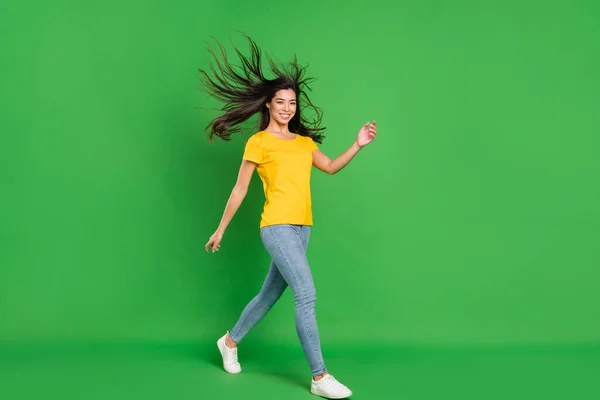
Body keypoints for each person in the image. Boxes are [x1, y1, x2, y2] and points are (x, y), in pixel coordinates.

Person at [199, 34, 376, 399]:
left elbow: (329, 168)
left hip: (302, 227)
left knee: (268, 295)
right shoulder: (258, 143)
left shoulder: (304, 143)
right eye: (280, 102)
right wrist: (220, 229)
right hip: (276, 226)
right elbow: (240, 189)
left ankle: (230, 342)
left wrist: (356, 145)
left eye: (292, 103)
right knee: (306, 294)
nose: (287, 108)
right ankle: (319, 376)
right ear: (268, 104)